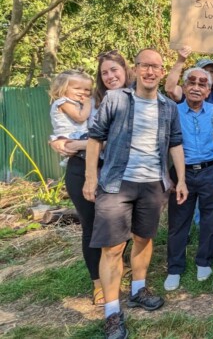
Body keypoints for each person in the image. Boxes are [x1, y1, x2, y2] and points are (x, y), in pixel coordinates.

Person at [83, 48, 187, 339]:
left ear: (162, 71)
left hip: (153, 184)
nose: (150, 71)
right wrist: (90, 177)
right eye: (145, 66)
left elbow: (175, 143)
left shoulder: (169, 107)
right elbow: (95, 138)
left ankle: (138, 290)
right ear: (136, 69)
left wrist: (180, 180)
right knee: (113, 247)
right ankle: (112, 312)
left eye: (156, 67)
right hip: (117, 183)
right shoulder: (116, 99)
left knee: (144, 238)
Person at [48, 50, 132, 309]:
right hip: (82, 168)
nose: (110, 76)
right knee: (92, 227)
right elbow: (68, 132)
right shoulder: (91, 101)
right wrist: (63, 142)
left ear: (125, 71)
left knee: (122, 224)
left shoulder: (136, 98)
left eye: (114, 70)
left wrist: (76, 143)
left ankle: (119, 268)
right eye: (104, 72)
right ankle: (98, 283)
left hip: (118, 169)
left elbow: (118, 140)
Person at [163, 67, 213, 292]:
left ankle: (204, 261)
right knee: (179, 221)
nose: (196, 87)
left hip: (212, 170)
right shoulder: (173, 111)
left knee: (211, 219)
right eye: (192, 82)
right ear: (184, 86)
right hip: (183, 173)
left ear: (209, 90)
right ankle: (175, 268)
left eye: (202, 84)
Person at [48, 70, 93, 166]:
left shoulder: (75, 103)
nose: (82, 92)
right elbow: (80, 118)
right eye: (77, 88)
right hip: (70, 135)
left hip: (77, 135)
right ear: (63, 88)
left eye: (87, 89)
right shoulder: (64, 102)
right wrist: (88, 104)